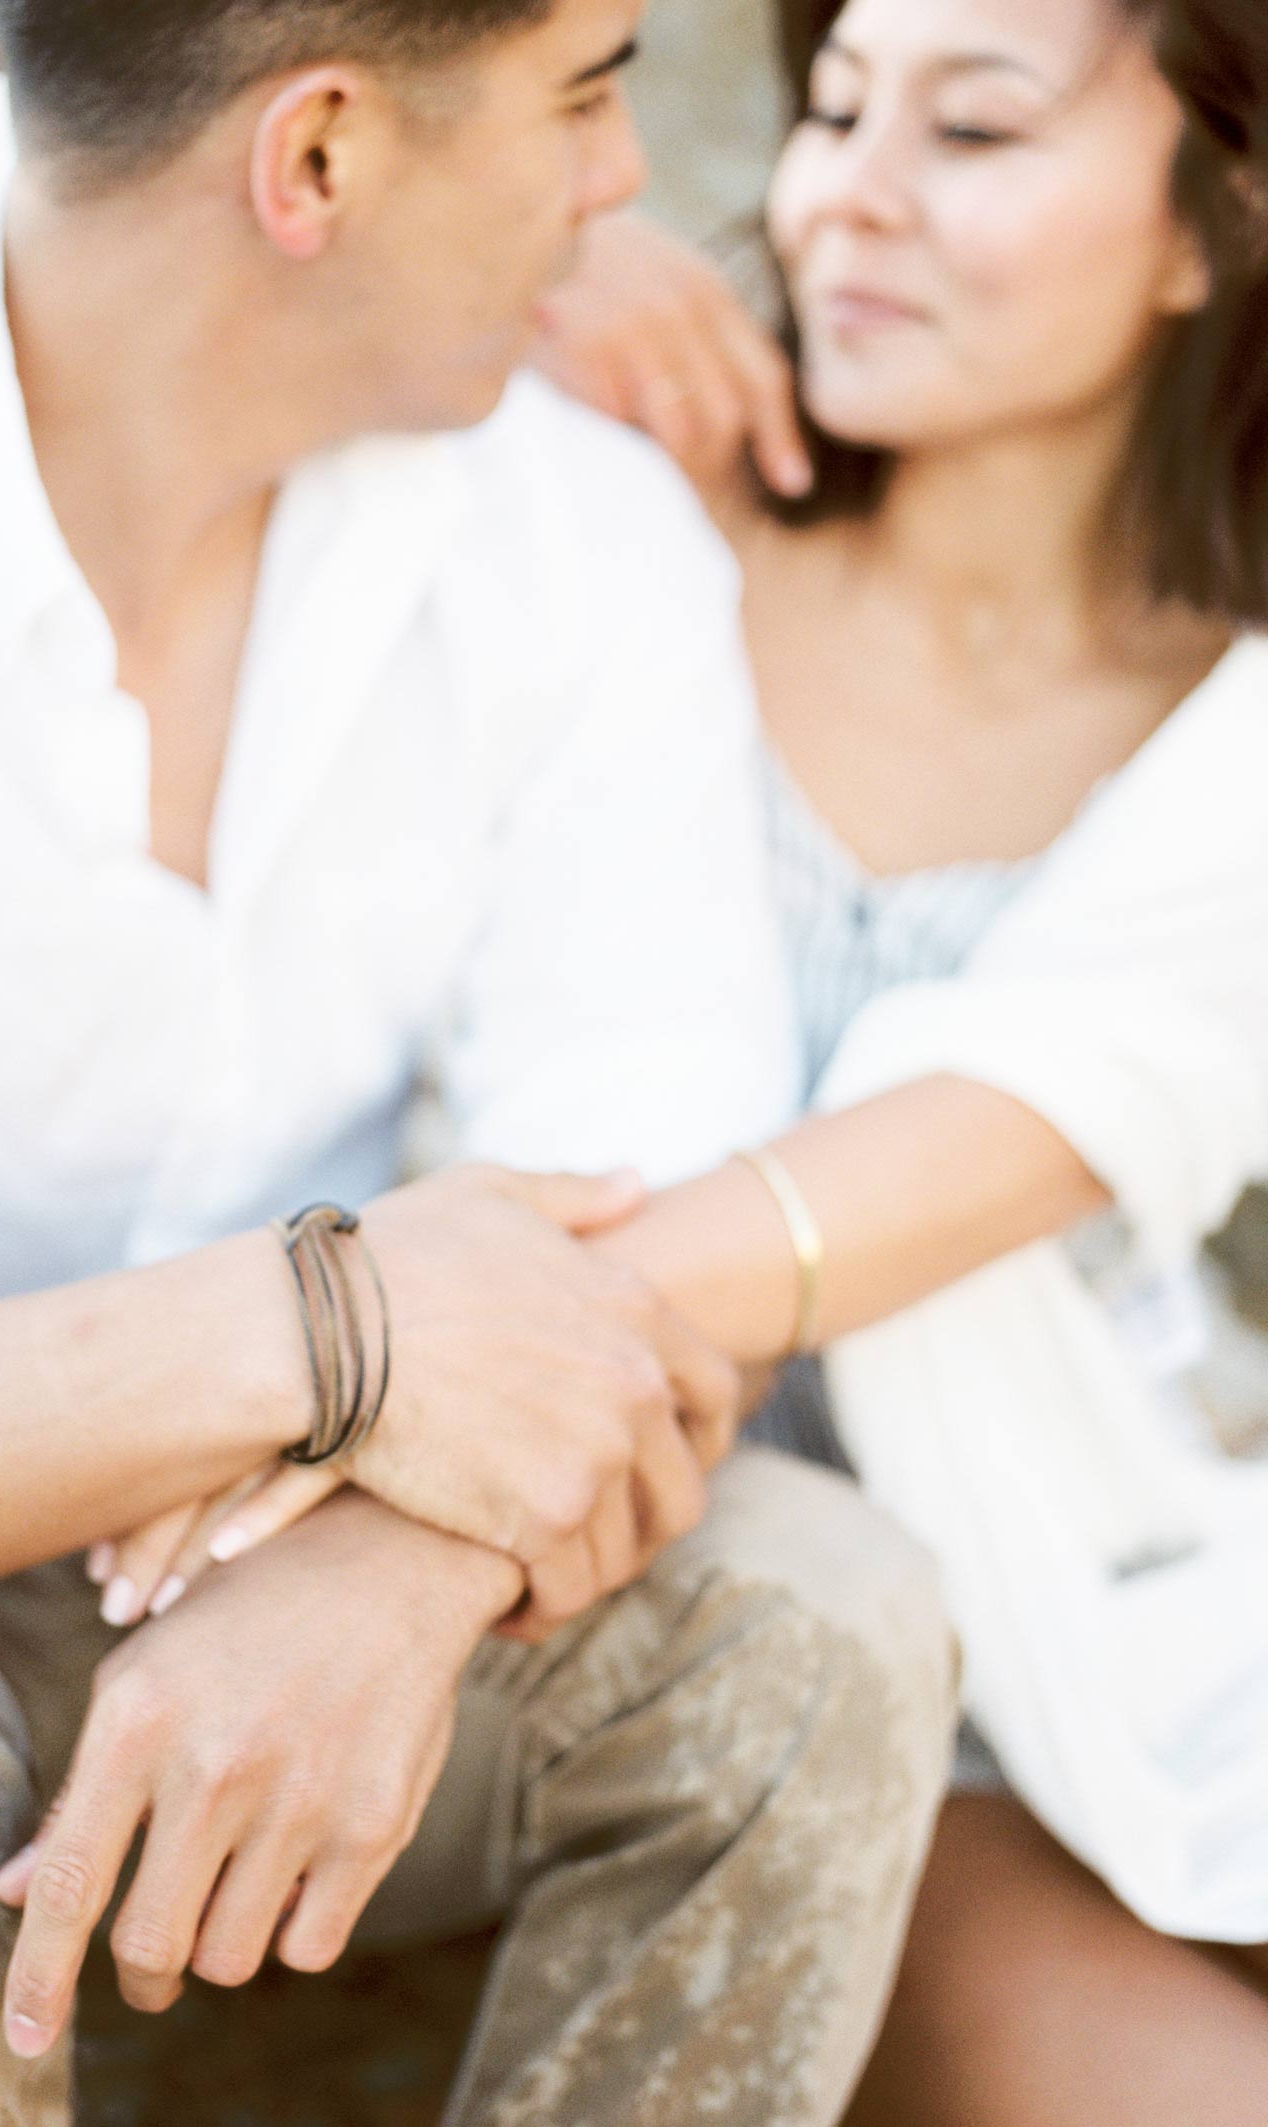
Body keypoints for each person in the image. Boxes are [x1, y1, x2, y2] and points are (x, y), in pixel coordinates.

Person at [0, 4, 959, 2124]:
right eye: (581, 90)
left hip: (316, 1525)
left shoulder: (561, 515)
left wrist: (392, 1552)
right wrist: (323, 1332)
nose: (626, 182)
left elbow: (644, 1222)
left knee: (815, 1616)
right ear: (318, 163)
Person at [496, 0, 1268, 2118]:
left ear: (1211, 222)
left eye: (974, 127)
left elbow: (950, 1163)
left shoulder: (1238, 730)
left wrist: (355, 1361)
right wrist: (498, 236)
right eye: (833, 107)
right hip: (781, 1657)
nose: (844, 192)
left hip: (1097, 1578)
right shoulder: (606, 528)